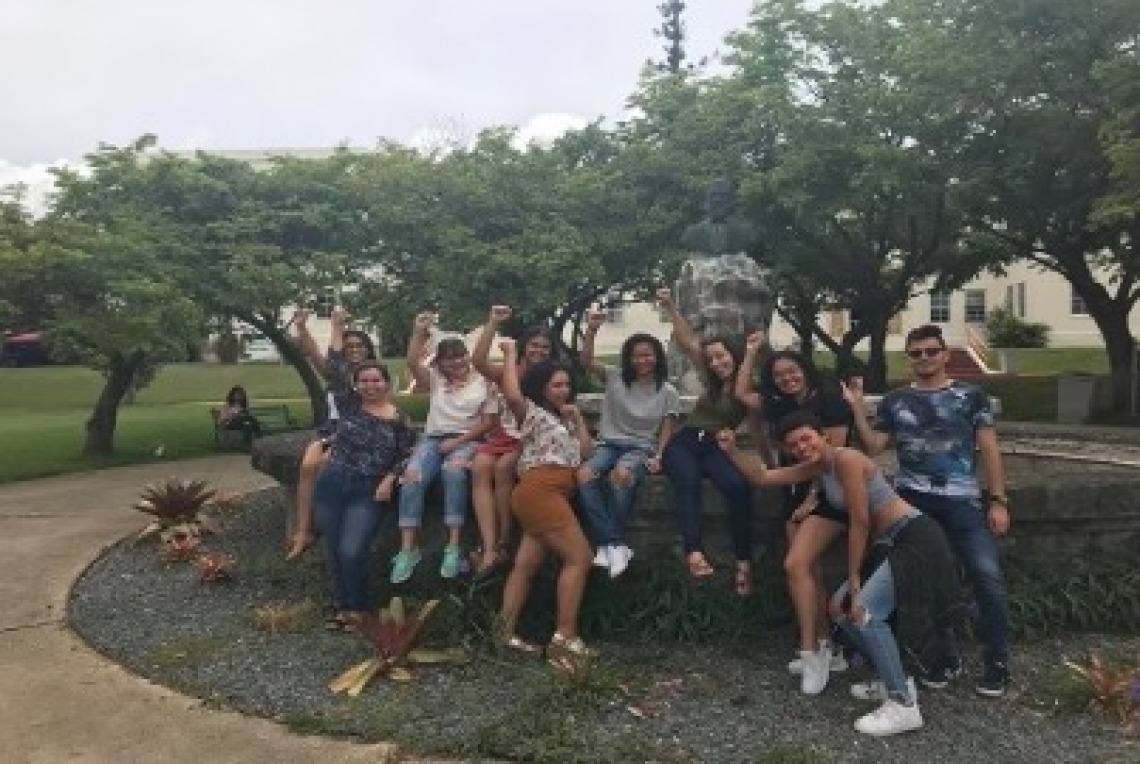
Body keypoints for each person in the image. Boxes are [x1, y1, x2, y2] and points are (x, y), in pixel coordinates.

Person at [719, 411, 962, 737]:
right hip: (891, 542)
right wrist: (732, 451)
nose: (802, 448)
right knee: (840, 610)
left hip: (914, 536)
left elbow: (860, 521)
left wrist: (856, 578)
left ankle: (903, 704)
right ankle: (894, 679)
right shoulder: (820, 467)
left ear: (825, 437)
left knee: (864, 613)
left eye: (807, 439)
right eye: (794, 445)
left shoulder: (847, 459)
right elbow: (763, 477)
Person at [845, 324, 1013, 698]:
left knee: (987, 577)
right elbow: (873, 447)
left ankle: (997, 661)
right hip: (912, 506)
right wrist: (858, 408)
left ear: (945, 354)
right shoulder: (895, 400)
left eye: (930, 351)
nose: (923, 358)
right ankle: (943, 657)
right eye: (916, 353)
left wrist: (998, 500)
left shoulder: (971, 396)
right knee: (923, 583)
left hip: (963, 503)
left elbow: (988, 448)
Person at [735, 332, 854, 692]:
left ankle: (812, 650)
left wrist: (809, 500)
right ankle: (825, 646)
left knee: (798, 565)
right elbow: (741, 394)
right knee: (806, 572)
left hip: (829, 492)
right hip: (794, 490)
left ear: (805, 370)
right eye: (779, 375)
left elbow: (829, 460)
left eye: (793, 371)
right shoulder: (779, 407)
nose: (787, 379)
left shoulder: (831, 403)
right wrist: (752, 353)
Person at [493, 335, 597, 662]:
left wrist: (578, 420)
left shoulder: (563, 420)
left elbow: (585, 453)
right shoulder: (534, 414)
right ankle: (565, 636)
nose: (563, 390)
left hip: (548, 493)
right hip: (542, 490)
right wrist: (510, 352)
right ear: (541, 388)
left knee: (526, 565)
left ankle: (504, 633)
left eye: (566, 385)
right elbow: (511, 393)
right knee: (580, 557)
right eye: (556, 385)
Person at [311, 321, 416, 632]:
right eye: (365, 381)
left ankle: (359, 608)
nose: (371, 385)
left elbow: (408, 454)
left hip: (367, 491)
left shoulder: (400, 420)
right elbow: (334, 366)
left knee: (351, 549)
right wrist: (337, 325)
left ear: (387, 383)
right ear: (356, 385)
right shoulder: (347, 405)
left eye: (377, 380)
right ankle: (345, 608)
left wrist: (389, 478)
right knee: (333, 548)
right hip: (332, 483)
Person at [656, 287, 756, 596]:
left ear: (734, 354)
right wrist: (671, 305)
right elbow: (687, 341)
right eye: (711, 358)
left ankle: (744, 562)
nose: (715, 363)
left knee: (738, 488)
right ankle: (694, 553)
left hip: (716, 446)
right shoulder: (710, 377)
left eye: (722, 356)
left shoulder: (750, 385)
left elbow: (758, 421)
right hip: (685, 442)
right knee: (688, 483)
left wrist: (750, 354)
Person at [392, 313, 494, 583]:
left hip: (468, 439)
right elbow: (413, 362)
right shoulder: (436, 379)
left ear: (467, 355)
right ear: (441, 360)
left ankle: (453, 543)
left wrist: (458, 443)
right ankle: (407, 548)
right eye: (449, 357)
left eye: (460, 355)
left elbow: (487, 424)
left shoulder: (484, 381)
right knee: (412, 476)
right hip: (434, 438)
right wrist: (418, 331)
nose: (456, 362)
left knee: (454, 472)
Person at [577, 307, 679, 577]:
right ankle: (615, 543)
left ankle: (607, 544)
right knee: (585, 474)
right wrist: (592, 329)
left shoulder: (668, 391)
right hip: (608, 444)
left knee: (621, 475)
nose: (641, 360)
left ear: (657, 357)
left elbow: (668, 427)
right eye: (636, 355)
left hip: (640, 447)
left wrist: (660, 455)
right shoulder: (615, 377)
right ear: (628, 358)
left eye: (647, 354)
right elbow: (586, 361)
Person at [469, 305, 556, 574]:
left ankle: (505, 540)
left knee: (504, 467)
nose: (539, 351)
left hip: (529, 437)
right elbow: (480, 361)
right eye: (534, 345)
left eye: (544, 347)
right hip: (503, 434)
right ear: (524, 346)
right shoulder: (511, 369)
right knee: (480, 467)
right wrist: (492, 322)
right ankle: (489, 544)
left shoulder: (551, 375)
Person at [286, 308, 377, 560]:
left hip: (357, 428)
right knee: (307, 465)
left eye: (360, 345)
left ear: (368, 349)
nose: (354, 349)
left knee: (327, 465)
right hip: (331, 427)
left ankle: (330, 525)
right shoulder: (337, 372)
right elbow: (317, 356)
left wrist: (338, 326)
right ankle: (303, 531)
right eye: (349, 346)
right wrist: (303, 329)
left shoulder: (371, 375)